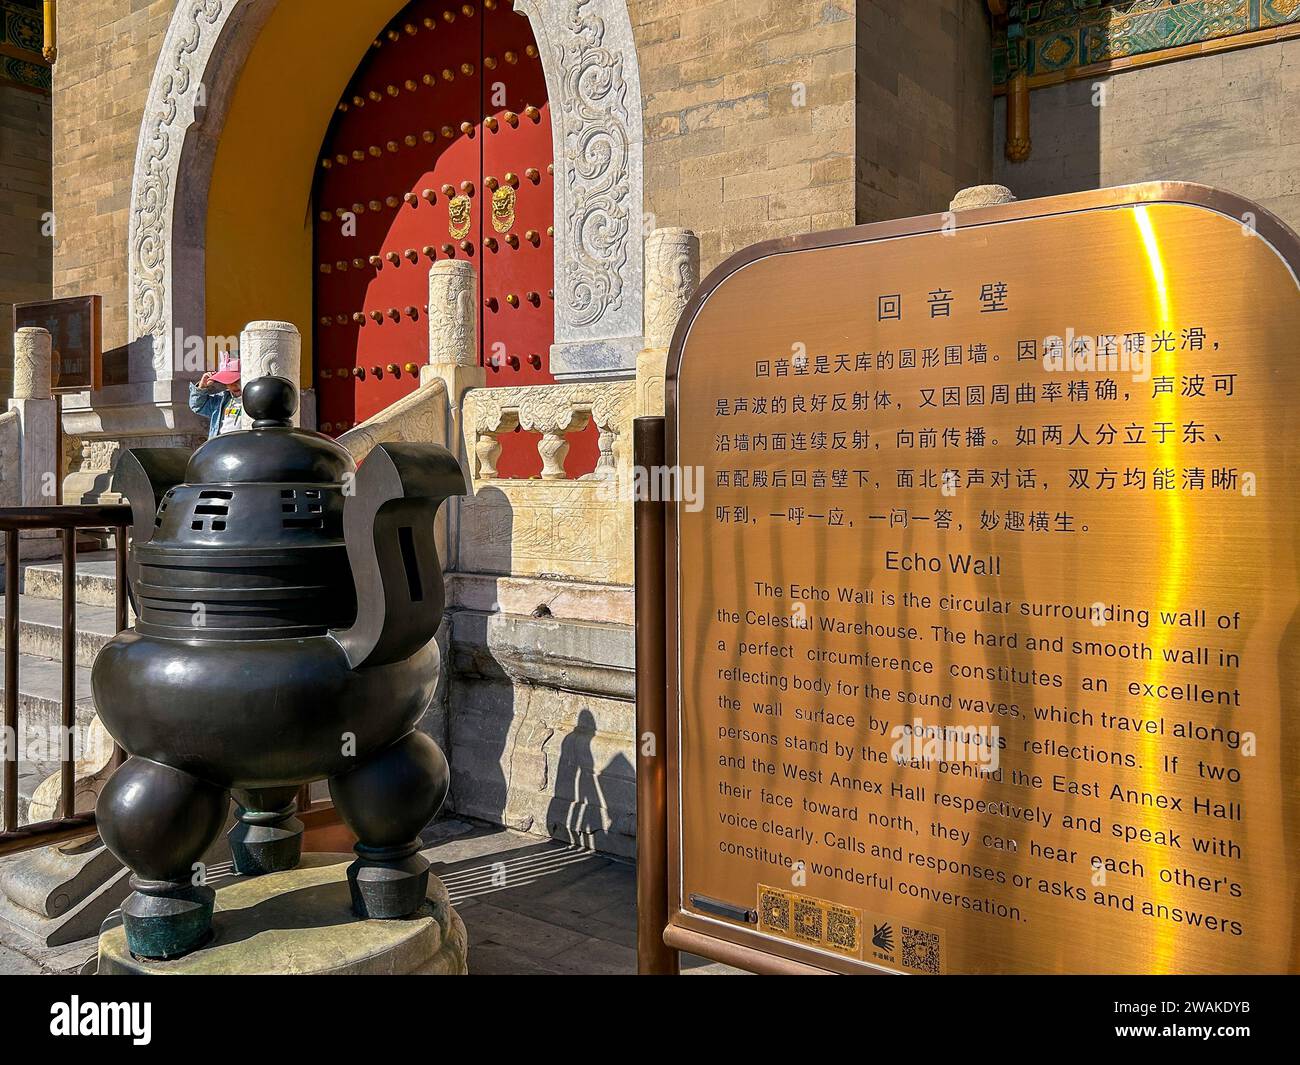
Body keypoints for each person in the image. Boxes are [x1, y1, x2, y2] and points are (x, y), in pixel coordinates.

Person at [190, 360, 243, 438]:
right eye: (229, 382)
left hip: (243, 445)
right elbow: (197, 406)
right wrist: (202, 387)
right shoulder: (221, 399)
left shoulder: (255, 399)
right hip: (220, 445)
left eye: (237, 381)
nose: (233, 385)